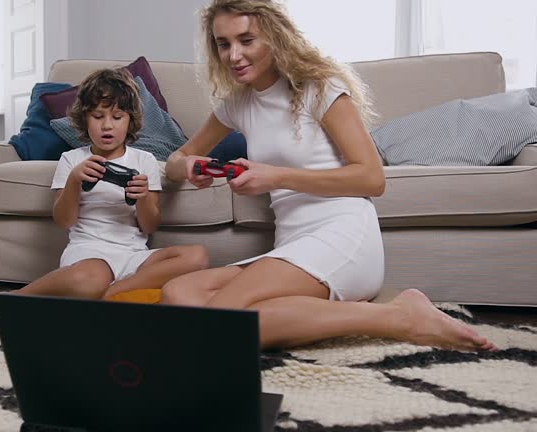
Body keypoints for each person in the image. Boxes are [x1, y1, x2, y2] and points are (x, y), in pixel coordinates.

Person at [162, 0, 496, 352]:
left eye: (247, 40)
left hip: (342, 235)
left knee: (222, 317)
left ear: (275, 37)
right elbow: (176, 159)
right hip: (292, 245)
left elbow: (371, 179)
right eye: (224, 43)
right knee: (179, 292)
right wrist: (187, 167)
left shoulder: (319, 88)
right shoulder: (239, 104)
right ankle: (384, 313)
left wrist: (277, 178)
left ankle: (402, 318)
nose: (234, 55)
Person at [0, 68, 209, 315]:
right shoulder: (72, 160)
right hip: (89, 255)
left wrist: (143, 197)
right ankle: (16, 299)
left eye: (117, 116)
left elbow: (149, 225)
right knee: (91, 278)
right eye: (98, 116)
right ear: (84, 119)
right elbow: (63, 220)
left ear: (130, 120)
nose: (107, 126)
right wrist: (73, 182)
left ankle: (113, 293)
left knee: (196, 257)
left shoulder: (144, 160)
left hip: (134, 257)